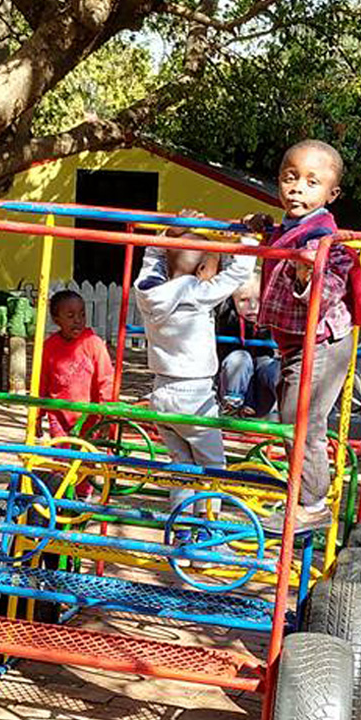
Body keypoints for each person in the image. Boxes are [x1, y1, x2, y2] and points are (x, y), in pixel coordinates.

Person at [247, 139, 357, 533]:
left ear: (332, 193)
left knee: (302, 421)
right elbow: (282, 241)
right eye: (290, 178)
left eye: (312, 182)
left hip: (322, 343)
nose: (297, 188)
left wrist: (307, 277)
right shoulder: (293, 228)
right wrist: (265, 230)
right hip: (298, 343)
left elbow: (329, 292)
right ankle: (303, 493)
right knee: (293, 415)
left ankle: (312, 504)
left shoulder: (324, 238)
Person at [134, 213, 255, 509]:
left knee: (182, 464)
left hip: (160, 394)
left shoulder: (146, 291)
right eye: (212, 269)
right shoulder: (198, 293)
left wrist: (167, 234)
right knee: (214, 465)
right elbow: (237, 275)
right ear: (202, 269)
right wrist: (249, 238)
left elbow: (151, 259)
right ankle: (207, 531)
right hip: (193, 396)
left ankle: (182, 531)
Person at [36, 289, 115, 439]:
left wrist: (107, 414)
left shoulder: (94, 344)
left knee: (86, 458)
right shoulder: (49, 347)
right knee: (62, 457)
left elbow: (106, 381)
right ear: (56, 319)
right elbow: (41, 382)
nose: (78, 320)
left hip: (90, 416)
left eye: (82, 314)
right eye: (71, 316)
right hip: (58, 415)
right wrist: (37, 416)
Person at [216, 283, 280, 420]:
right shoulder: (225, 318)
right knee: (240, 357)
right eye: (244, 300)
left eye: (258, 300)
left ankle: (289, 406)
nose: (252, 306)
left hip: (259, 397)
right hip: (230, 389)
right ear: (232, 301)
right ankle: (232, 406)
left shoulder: (271, 320)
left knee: (272, 367)